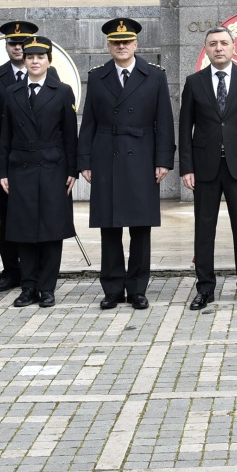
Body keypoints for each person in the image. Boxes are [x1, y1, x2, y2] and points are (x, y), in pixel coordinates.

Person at [79, 18, 175, 310]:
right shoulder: (97, 76)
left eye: (127, 41)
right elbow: (89, 122)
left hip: (142, 156)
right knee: (109, 227)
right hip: (106, 155)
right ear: (108, 45)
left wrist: (163, 160)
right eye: (115, 42)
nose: (121, 46)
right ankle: (111, 288)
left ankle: (137, 288)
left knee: (140, 227)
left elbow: (165, 121)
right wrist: (85, 160)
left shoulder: (155, 75)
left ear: (136, 44)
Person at [178, 25, 237, 310]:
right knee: (204, 230)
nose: (219, 48)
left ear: (233, 47)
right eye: (213, 43)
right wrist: (186, 168)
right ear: (206, 48)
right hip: (204, 168)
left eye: (224, 43)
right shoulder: (194, 82)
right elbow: (184, 129)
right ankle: (205, 288)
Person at [0, 35, 79, 308]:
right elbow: (4, 135)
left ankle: (47, 288)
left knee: (51, 231)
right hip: (20, 168)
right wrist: (3, 171)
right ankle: (28, 287)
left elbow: (70, 135)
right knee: (24, 230)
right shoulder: (12, 92)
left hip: (53, 168)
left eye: (40, 57)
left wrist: (72, 170)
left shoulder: (62, 91)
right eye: (30, 57)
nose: (34, 61)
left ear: (48, 61)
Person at [0, 20, 39, 294]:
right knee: (7, 220)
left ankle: (37, 271)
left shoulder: (48, 75)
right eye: (12, 43)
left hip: (38, 163)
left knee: (36, 218)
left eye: (23, 43)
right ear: (5, 46)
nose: (18, 47)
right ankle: (11, 271)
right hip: (8, 160)